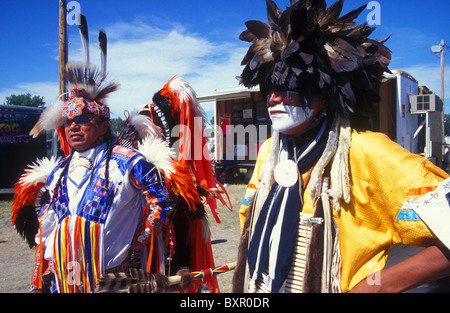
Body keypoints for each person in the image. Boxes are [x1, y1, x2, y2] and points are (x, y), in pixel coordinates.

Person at [232, 0, 450, 293]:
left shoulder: (368, 153)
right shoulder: (269, 152)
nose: (273, 99)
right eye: (271, 88)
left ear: (326, 94)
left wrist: (380, 285)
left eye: (290, 87)